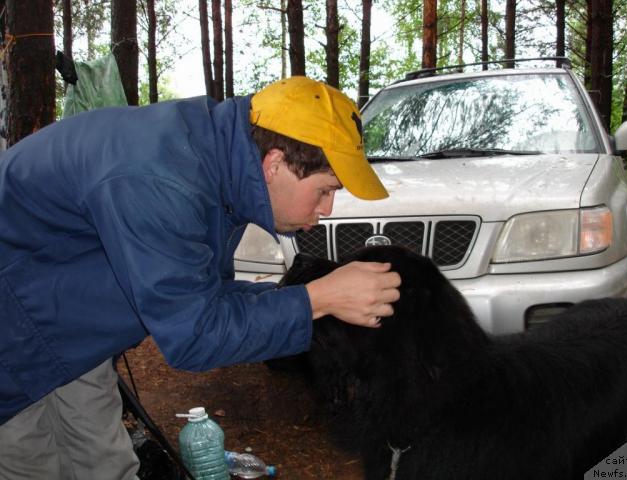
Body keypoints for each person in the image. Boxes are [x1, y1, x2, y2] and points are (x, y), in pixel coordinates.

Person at [0, 76, 401, 479]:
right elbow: (194, 334)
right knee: (33, 464)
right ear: (275, 163)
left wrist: (309, 299)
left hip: (66, 317)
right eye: (325, 190)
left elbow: (201, 292)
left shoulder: (221, 166)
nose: (327, 209)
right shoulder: (163, 180)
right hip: (11, 328)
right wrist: (317, 299)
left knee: (105, 462)